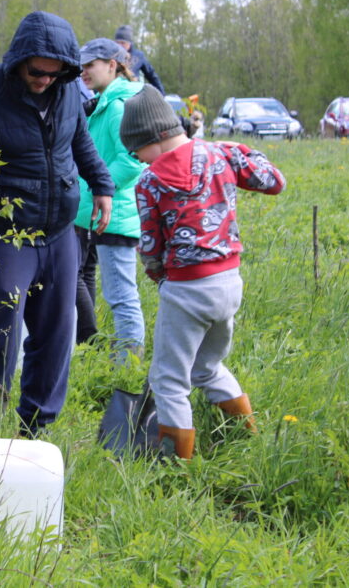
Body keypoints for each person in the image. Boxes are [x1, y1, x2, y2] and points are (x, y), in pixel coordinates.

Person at [0, 11, 115, 435]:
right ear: (21, 59)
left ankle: (35, 429)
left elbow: (80, 141)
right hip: (5, 235)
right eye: (38, 72)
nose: (44, 80)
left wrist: (103, 184)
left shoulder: (67, 89)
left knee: (56, 333)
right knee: (2, 330)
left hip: (58, 232)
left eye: (55, 74)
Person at [119, 86, 285, 459]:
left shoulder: (149, 182)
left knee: (169, 380)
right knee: (208, 366)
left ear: (154, 139)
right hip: (229, 284)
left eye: (135, 151)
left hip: (186, 290)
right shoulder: (221, 154)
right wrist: (239, 149)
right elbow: (274, 182)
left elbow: (151, 245)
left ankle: (177, 466)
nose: (138, 160)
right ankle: (247, 438)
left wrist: (157, 274)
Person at [74, 38, 146, 361]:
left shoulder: (118, 106)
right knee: (87, 279)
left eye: (90, 65)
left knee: (121, 296)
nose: (83, 71)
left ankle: (127, 369)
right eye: (82, 66)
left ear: (112, 66)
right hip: (95, 211)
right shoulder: (104, 101)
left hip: (114, 214)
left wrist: (97, 189)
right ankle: (91, 352)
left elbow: (132, 161)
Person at [114, 25, 164, 93]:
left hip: (133, 94)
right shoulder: (110, 56)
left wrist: (161, 94)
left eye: (123, 43)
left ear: (129, 43)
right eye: (117, 43)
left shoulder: (139, 56)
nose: (120, 46)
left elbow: (152, 76)